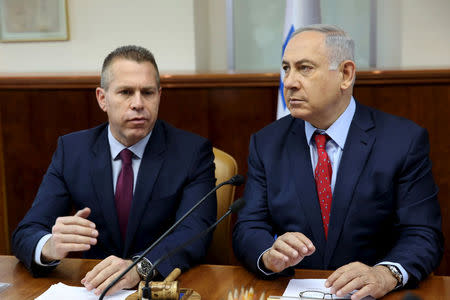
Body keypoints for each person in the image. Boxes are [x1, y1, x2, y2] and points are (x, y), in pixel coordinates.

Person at [232, 24, 443, 300]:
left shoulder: (402, 141)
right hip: (293, 291)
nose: (289, 81)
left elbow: (423, 233)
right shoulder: (267, 142)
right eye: (286, 68)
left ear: (345, 74)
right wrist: (269, 256)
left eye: (304, 68)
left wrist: (385, 274)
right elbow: (248, 226)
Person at [12, 45, 217, 296]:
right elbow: (27, 232)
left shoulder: (191, 152)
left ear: (159, 95)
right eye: (126, 92)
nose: (138, 104)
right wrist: (51, 246)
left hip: (160, 290)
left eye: (148, 92)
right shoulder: (72, 150)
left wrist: (140, 266)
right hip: (93, 289)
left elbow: (195, 233)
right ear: (102, 98)